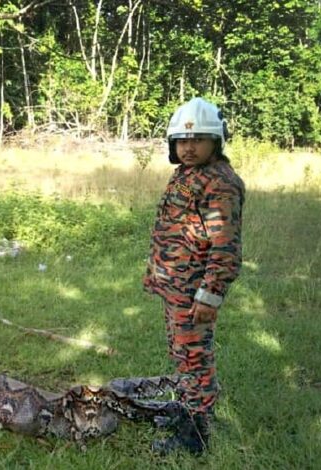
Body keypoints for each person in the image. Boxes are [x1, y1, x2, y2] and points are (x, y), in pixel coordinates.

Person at [143, 97, 245, 454]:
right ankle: (187, 410)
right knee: (182, 354)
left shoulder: (221, 183)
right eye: (182, 141)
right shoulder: (188, 174)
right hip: (175, 286)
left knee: (195, 358)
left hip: (193, 291)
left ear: (215, 141)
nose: (188, 147)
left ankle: (195, 436)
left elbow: (225, 245)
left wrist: (210, 293)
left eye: (198, 140)